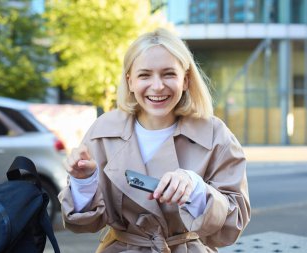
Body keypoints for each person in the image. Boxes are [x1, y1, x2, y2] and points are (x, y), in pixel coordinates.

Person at [59, 28, 250, 253]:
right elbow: (83, 224)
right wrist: (84, 183)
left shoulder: (215, 134)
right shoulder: (103, 130)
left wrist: (196, 188)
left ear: (186, 80)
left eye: (169, 74)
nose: (157, 86)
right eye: (145, 75)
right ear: (130, 81)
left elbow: (232, 225)